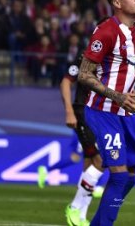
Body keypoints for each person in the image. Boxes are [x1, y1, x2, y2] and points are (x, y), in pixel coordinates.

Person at [77, 0, 135, 226]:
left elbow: (129, 79)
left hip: (126, 113)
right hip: (103, 111)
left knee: (130, 177)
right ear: (117, 3)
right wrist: (118, 97)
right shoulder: (106, 31)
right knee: (119, 177)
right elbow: (84, 74)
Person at [52, 46, 107, 226]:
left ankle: (81, 215)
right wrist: (69, 111)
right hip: (83, 112)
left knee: (89, 163)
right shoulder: (87, 55)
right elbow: (66, 82)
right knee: (100, 161)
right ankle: (75, 207)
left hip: (100, 115)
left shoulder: (114, 58)